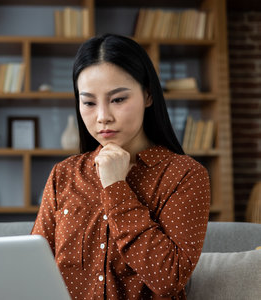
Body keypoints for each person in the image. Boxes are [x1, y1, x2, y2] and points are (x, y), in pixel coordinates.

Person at [31, 33, 211, 300]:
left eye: (118, 99)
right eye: (89, 102)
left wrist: (116, 187)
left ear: (148, 95)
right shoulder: (64, 174)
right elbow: (33, 269)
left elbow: (168, 278)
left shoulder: (184, 175)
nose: (103, 116)